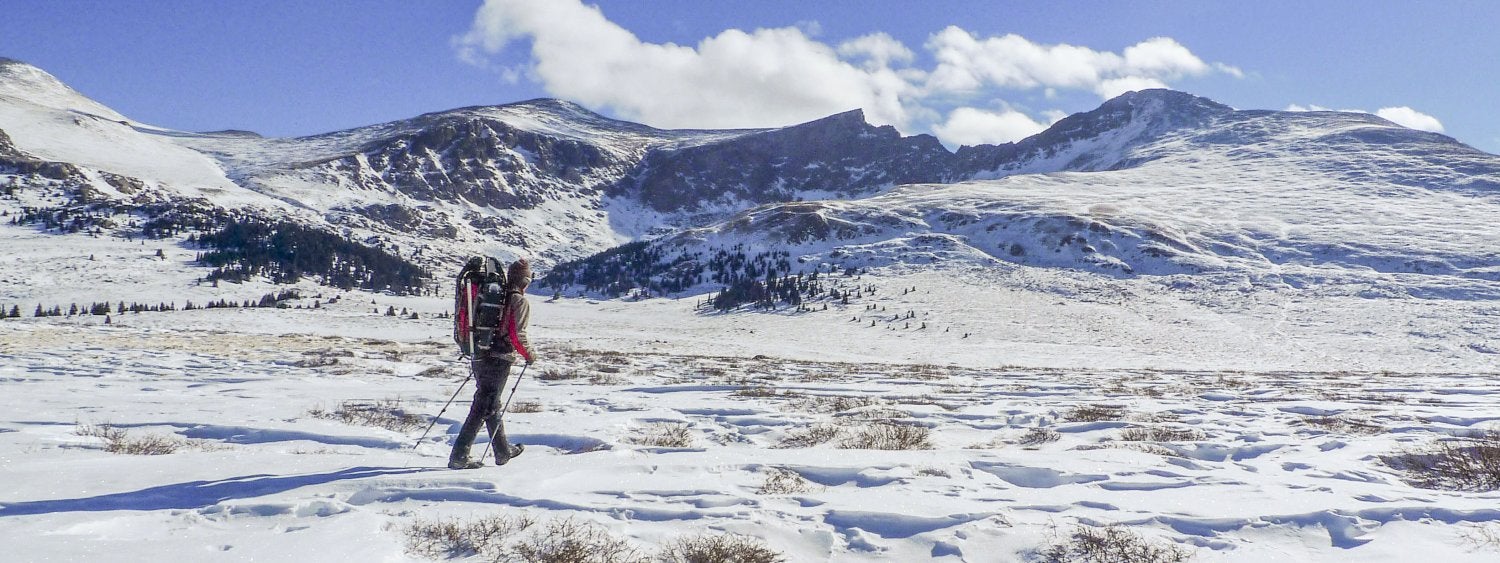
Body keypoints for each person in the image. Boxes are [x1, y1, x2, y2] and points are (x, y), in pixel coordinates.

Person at [449, 258, 536, 470]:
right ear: (525, 280)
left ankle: (502, 450)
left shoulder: (494, 295)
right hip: (499, 359)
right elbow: (516, 334)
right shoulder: (518, 301)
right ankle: (459, 455)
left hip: (479, 354)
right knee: (483, 406)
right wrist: (529, 354)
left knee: (490, 403)